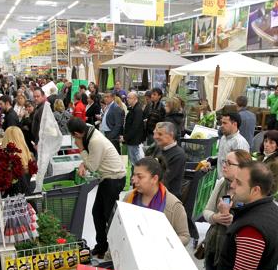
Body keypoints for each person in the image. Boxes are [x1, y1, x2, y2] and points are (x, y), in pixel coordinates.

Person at [217, 162, 278, 270]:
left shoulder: (251, 230)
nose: (232, 185)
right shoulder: (273, 210)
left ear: (255, 190)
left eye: (238, 182)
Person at [67, 118, 126, 259]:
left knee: (109, 217)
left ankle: (115, 252)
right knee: (97, 213)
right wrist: (83, 164)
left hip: (114, 179)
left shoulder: (95, 141)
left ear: (77, 133)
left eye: (73, 136)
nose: (73, 139)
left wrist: (80, 147)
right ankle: (101, 246)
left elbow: (93, 166)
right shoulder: (88, 129)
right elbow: (92, 160)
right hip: (107, 178)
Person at [203, 150, 252, 270]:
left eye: (229, 163)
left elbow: (248, 224)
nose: (224, 166)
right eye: (224, 162)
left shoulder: (248, 193)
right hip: (213, 245)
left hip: (231, 252)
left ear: (242, 169)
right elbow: (206, 211)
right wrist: (216, 217)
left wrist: (231, 221)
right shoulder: (221, 183)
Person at [124, 158, 190, 245]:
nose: (134, 180)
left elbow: (184, 236)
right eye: (134, 175)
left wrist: (164, 243)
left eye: (140, 177)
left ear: (154, 179)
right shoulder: (129, 197)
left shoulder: (173, 206)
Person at [152, 122, 186, 200]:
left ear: (171, 135)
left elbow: (165, 179)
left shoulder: (179, 155)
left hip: (168, 197)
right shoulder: (159, 147)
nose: (155, 137)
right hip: (156, 192)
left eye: (160, 134)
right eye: (156, 133)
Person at [258, 130, 278, 195]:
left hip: (261, 198)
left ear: (277, 146)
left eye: (271, 143)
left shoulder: (277, 164)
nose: (267, 145)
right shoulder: (261, 157)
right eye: (265, 141)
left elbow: (272, 190)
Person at [124, 91, 145, 167]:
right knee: (133, 161)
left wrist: (126, 137)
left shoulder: (137, 110)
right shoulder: (133, 109)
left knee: (136, 162)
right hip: (131, 140)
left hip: (134, 140)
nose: (127, 99)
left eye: (129, 98)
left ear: (135, 99)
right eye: (127, 98)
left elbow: (135, 126)